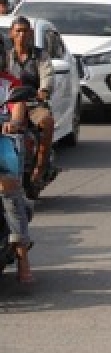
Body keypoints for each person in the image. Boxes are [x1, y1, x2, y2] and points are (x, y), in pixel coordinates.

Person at [6, 17, 56, 187]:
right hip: (10, 104)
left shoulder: (40, 55)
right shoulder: (6, 57)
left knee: (47, 122)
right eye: (18, 31)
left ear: (31, 34)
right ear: (11, 34)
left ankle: (40, 168)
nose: (22, 35)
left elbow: (47, 75)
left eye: (25, 31)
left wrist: (44, 91)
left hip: (34, 104)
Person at [0, 74, 35, 284]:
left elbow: (18, 107)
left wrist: (13, 122)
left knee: (7, 188)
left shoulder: (9, 83)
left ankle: (23, 256)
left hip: (3, 142)